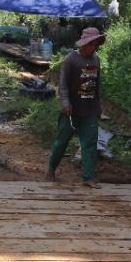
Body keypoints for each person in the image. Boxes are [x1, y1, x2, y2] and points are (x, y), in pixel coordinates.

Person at [47, 26, 105, 188]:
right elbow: (63, 84)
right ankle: (51, 169)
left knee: (89, 143)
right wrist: (65, 103)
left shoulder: (96, 60)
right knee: (62, 141)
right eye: (93, 44)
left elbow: (97, 85)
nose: (95, 48)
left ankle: (88, 177)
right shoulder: (71, 59)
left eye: (97, 45)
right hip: (71, 110)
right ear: (84, 44)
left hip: (90, 109)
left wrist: (99, 107)